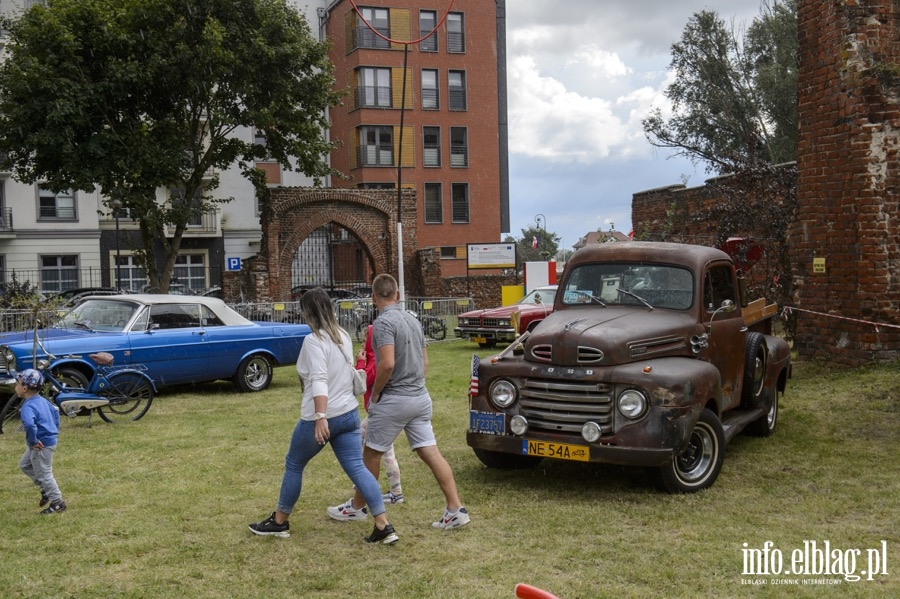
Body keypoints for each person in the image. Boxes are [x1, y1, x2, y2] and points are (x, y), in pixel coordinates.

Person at [249, 287, 398, 544]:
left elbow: (319, 379)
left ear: (308, 312)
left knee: (294, 463)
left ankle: (279, 521)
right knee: (358, 468)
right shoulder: (342, 335)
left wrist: (320, 416)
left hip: (324, 416)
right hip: (348, 413)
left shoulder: (314, 340)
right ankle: (383, 525)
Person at [327, 274, 470, 530]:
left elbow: (388, 364)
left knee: (370, 453)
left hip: (395, 398)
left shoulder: (382, 324)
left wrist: (377, 393)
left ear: (373, 298)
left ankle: (357, 507)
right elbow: (424, 363)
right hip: (420, 397)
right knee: (431, 452)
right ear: (398, 295)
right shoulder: (413, 321)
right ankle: (455, 508)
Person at [356, 325, 404, 504]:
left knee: (359, 438)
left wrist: (360, 362)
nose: (362, 343)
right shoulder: (376, 357)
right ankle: (394, 491)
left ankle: (364, 484)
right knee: (385, 451)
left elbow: (363, 379)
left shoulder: (377, 359)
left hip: (381, 412)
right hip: (380, 411)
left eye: (364, 339)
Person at [16, 368, 67, 515]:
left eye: (16, 384)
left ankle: (58, 503)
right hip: (48, 441)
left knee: (45, 473)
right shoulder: (43, 400)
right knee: (24, 464)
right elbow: (56, 412)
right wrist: (54, 429)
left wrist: (33, 441)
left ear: (24, 388)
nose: (15, 387)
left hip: (40, 445)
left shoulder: (27, 407)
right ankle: (45, 489)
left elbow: (30, 425)